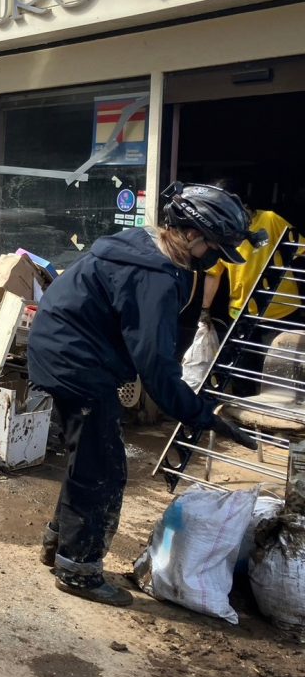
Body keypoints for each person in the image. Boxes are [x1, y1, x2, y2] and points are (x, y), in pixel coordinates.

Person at [27, 183, 262, 607]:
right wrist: (200, 414)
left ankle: (57, 544)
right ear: (191, 234)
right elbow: (154, 363)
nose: (215, 258)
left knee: (89, 454)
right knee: (103, 467)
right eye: (214, 246)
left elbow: (162, 344)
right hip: (75, 361)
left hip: (63, 349)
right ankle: (78, 571)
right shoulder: (153, 275)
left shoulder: (145, 247)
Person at [201, 191, 300, 395]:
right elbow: (213, 274)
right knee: (241, 374)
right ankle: (243, 421)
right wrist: (204, 309)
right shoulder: (221, 232)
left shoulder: (270, 220)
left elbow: (298, 247)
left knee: (279, 379)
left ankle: (272, 424)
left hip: (280, 314)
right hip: (241, 314)